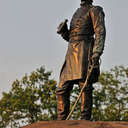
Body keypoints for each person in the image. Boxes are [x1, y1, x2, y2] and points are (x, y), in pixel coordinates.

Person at [57, 0, 106, 120]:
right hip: (71, 51)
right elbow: (72, 37)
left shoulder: (95, 10)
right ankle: (61, 120)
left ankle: (85, 119)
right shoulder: (77, 11)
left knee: (84, 85)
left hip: (84, 49)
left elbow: (100, 31)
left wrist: (96, 52)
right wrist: (64, 32)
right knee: (62, 87)